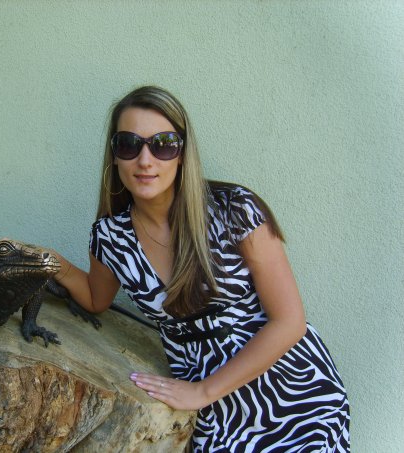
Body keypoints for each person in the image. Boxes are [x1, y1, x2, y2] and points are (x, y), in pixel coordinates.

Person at [49, 86, 350, 452]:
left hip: (294, 396)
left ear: (182, 154)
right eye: (129, 144)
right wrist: (48, 261)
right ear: (114, 155)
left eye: (163, 145)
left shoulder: (235, 209)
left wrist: (203, 392)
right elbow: (97, 298)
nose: (145, 160)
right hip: (210, 409)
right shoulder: (110, 236)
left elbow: (289, 322)